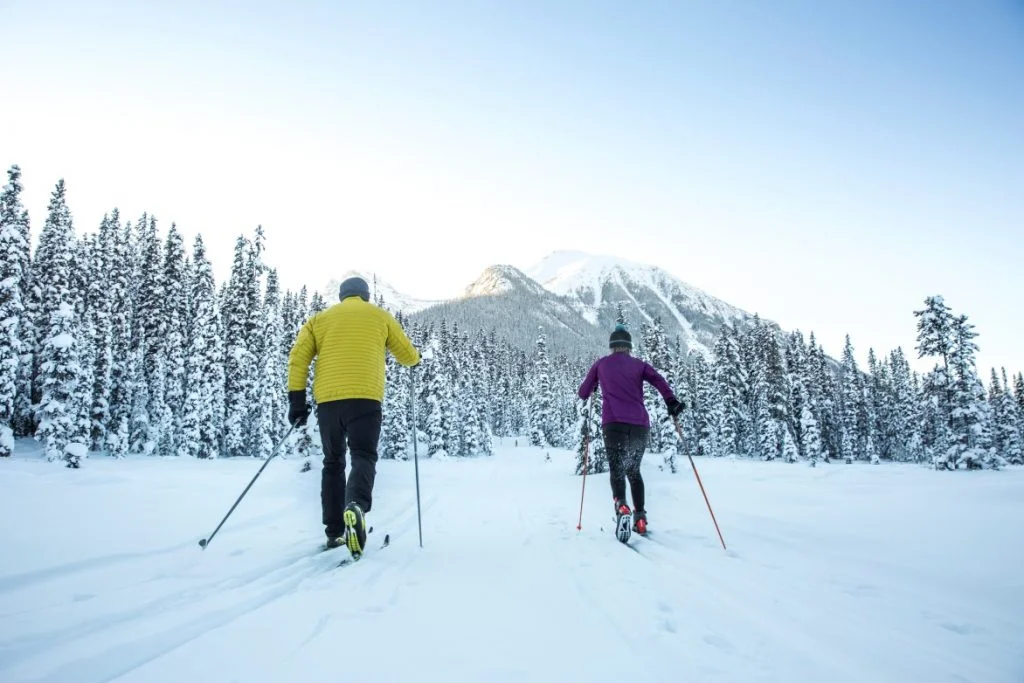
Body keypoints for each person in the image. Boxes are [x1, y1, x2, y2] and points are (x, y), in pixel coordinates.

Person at [287, 276, 421, 558]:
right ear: (365, 296)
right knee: (363, 455)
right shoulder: (380, 316)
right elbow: (407, 354)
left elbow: (298, 358)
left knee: (332, 462)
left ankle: (334, 532)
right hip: (366, 400)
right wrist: (416, 360)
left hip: (329, 403)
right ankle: (357, 505)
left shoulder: (319, 320)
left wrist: (296, 403)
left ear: (342, 296)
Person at [577, 323, 684, 539]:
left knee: (617, 468)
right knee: (633, 471)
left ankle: (621, 506)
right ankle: (640, 519)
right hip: (639, 426)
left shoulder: (601, 365)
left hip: (613, 424)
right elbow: (659, 381)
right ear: (629, 346)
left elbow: (582, 393)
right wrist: (671, 401)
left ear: (612, 346)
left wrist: (596, 385)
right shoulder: (639, 365)